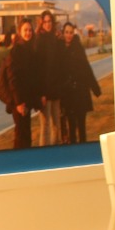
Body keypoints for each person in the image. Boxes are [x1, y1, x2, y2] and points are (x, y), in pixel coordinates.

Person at [0, 18, 43, 149]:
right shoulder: (17, 51)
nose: (28, 33)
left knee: (25, 134)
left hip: (25, 101)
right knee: (21, 136)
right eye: (25, 30)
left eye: (30, 30)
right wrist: (19, 103)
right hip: (19, 102)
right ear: (20, 32)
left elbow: (31, 78)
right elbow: (12, 79)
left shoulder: (29, 48)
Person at [57, 20, 101, 144]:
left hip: (80, 92)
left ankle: (83, 147)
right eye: (66, 32)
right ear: (63, 33)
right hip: (67, 93)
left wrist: (95, 88)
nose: (68, 35)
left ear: (73, 33)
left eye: (71, 33)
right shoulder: (59, 49)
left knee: (81, 125)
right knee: (71, 125)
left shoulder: (78, 48)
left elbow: (87, 68)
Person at [32, 9, 66, 146]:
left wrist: (61, 39)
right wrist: (41, 93)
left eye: (49, 21)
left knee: (56, 124)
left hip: (55, 89)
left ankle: (56, 151)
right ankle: (44, 154)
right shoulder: (39, 40)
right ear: (41, 23)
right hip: (44, 91)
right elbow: (38, 70)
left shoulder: (55, 39)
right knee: (45, 126)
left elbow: (59, 64)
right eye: (45, 22)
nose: (47, 24)